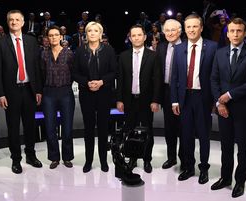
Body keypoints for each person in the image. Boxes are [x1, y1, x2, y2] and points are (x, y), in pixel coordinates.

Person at [210, 17, 246, 197]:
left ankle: (240, 181)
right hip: (223, 109)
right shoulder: (220, 52)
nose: (235, 34)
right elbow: (214, 79)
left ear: (245, 32)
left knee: (243, 148)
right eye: (232, 31)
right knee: (225, 147)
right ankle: (225, 178)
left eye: (239, 31)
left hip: (243, 109)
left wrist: (229, 95)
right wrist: (219, 102)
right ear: (227, 32)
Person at [0, 10, 43, 174]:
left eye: (17, 20)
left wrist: (38, 90)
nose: (14, 22)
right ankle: (16, 159)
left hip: (29, 89)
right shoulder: (0, 42)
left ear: (22, 22)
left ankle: (31, 155)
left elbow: (36, 67)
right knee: (13, 127)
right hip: (11, 91)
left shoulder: (31, 40)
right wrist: (0, 93)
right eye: (11, 20)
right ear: (8, 23)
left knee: (30, 125)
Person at [171, 13, 218, 183]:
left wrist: (216, 100)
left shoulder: (213, 47)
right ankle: (189, 167)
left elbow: (215, 75)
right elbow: (174, 77)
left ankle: (204, 168)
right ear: (184, 29)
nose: (191, 29)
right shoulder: (178, 48)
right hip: (184, 98)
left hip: (203, 98)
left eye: (194, 26)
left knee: (204, 135)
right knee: (186, 135)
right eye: (188, 27)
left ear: (201, 28)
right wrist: (174, 100)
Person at [72, 21, 117, 173]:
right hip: (87, 94)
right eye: (89, 30)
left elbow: (113, 72)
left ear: (100, 33)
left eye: (95, 30)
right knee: (88, 129)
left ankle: (104, 161)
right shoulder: (79, 51)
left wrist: (101, 82)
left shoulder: (109, 50)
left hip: (104, 94)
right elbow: (75, 73)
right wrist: (87, 82)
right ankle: (88, 161)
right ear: (86, 33)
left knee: (104, 129)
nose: (92, 33)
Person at [117, 24, 162, 173]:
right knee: (130, 130)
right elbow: (121, 80)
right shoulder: (123, 56)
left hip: (147, 101)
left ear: (144, 37)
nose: (136, 38)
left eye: (139, 35)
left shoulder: (153, 56)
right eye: (133, 35)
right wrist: (119, 100)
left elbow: (157, 80)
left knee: (148, 130)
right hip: (129, 100)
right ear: (130, 38)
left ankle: (147, 159)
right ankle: (133, 158)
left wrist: (155, 100)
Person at [40, 26, 75, 169]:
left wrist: (65, 84)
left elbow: (73, 73)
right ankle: (54, 157)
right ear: (47, 38)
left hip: (65, 92)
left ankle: (67, 157)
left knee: (67, 128)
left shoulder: (69, 53)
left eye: (56, 35)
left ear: (61, 37)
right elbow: (41, 74)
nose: (53, 37)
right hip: (48, 93)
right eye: (50, 35)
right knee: (49, 128)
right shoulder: (43, 54)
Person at [156, 19, 183, 170]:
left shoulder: (186, 46)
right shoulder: (161, 47)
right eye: (167, 30)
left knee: (183, 128)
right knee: (169, 128)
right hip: (166, 92)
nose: (170, 33)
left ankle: (184, 159)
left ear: (179, 31)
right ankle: (171, 158)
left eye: (173, 30)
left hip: (182, 92)